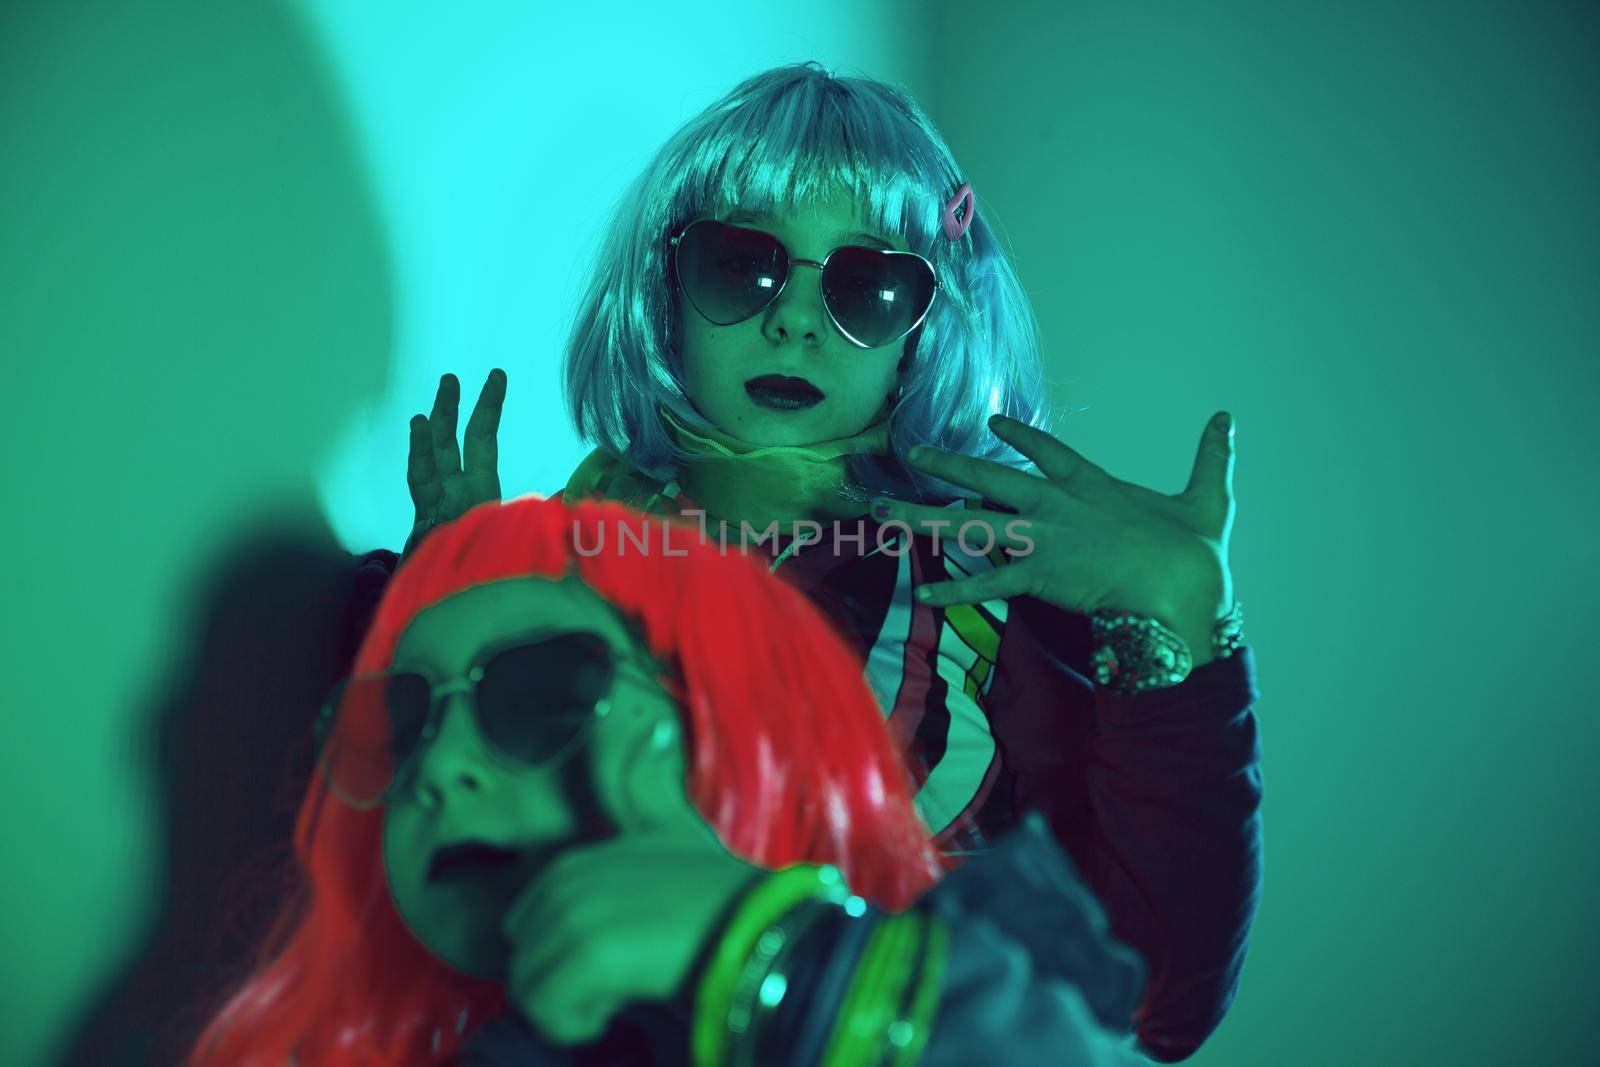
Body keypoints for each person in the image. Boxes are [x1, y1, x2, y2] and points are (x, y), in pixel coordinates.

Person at [388, 62, 1262, 1061]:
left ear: (919, 333)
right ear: (665, 291)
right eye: (739, 264)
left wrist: (1181, 629)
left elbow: (1156, 1001)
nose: (794, 320)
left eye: (867, 284)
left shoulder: (991, 587)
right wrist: (434, 619)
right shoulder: (557, 555)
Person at [185, 496, 1155, 1067]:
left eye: (536, 692)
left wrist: (763, 952)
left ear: (736, 731)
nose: (438, 766)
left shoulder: (978, 983)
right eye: (399, 720)